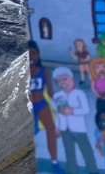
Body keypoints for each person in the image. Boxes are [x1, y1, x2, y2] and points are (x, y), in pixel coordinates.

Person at [52, 67, 99, 174]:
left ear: (72, 79)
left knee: (86, 151)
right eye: (58, 81)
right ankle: (73, 171)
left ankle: (93, 170)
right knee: (69, 153)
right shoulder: (57, 96)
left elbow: (86, 110)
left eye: (64, 79)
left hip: (78, 129)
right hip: (65, 129)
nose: (62, 83)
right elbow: (58, 114)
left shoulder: (79, 94)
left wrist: (72, 111)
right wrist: (57, 127)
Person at [29, 40, 63, 173]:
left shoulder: (44, 72)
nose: (32, 57)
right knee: (36, 132)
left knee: (51, 130)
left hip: (42, 104)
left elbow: (50, 92)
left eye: (34, 53)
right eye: (30, 54)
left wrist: (59, 105)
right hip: (33, 105)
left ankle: (54, 162)